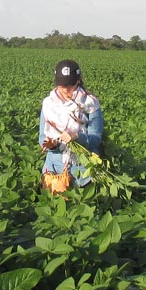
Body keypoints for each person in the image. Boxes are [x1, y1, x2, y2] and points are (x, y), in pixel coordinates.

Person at [39, 59, 103, 194]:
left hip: (83, 172)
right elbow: (42, 137)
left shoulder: (90, 104)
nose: (66, 90)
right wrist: (51, 145)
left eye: (70, 85)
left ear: (78, 81)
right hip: (54, 170)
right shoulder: (48, 104)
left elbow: (95, 139)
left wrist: (76, 137)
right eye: (62, 86)